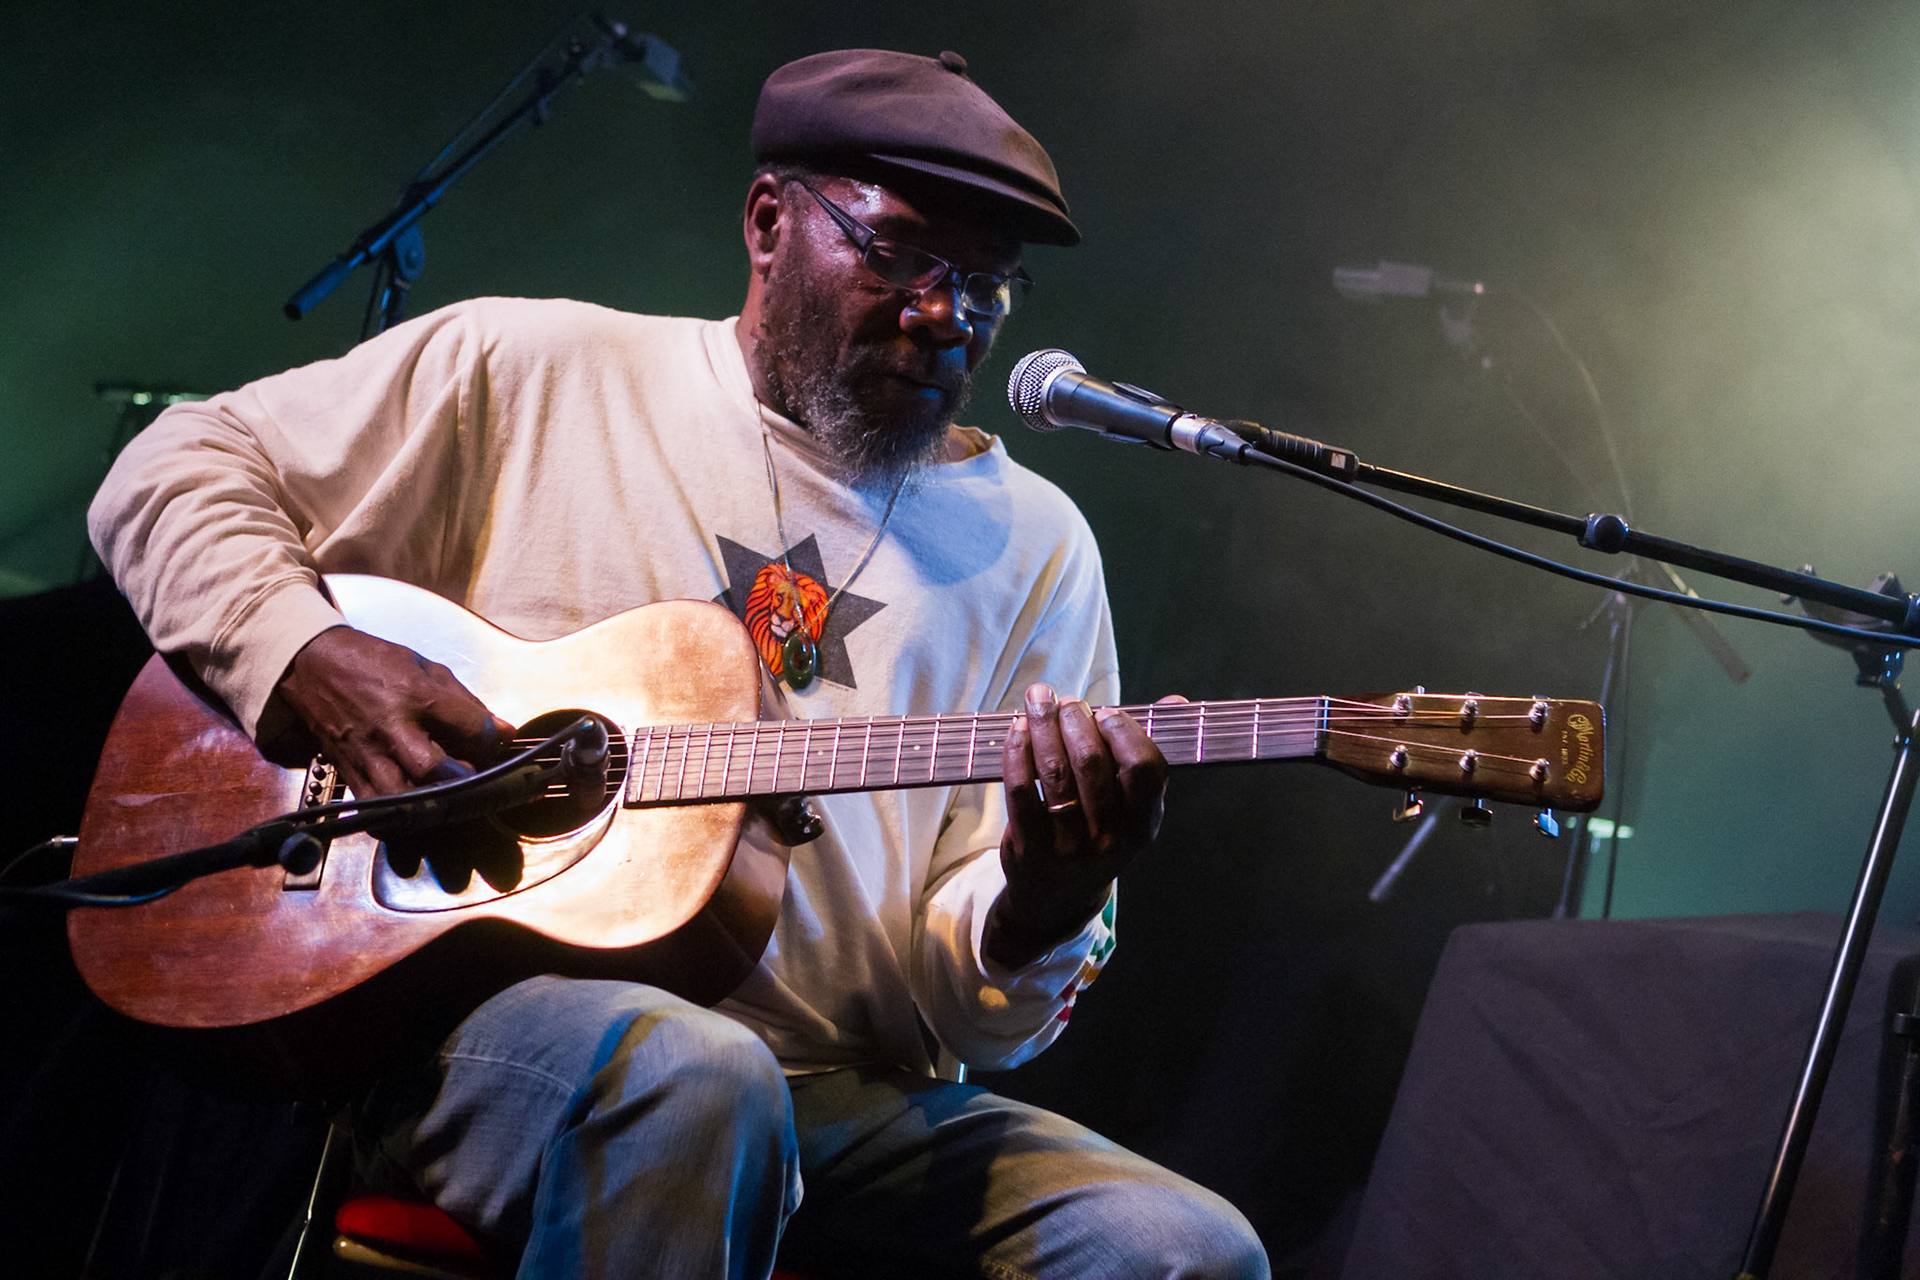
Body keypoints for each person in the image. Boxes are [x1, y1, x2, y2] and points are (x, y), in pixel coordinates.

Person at [89, 48, 1270, 1279]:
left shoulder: (1037, 548)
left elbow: (975, 1004)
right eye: (899, 256)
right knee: (700, 1074)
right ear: (770, 222)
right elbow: (168, 469)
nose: (943, 316)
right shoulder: (536, 370)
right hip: (488, 1035)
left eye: (983, 286)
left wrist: (1046, 898)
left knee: (1189, 1248)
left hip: (845, 1100)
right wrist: (309, 654)